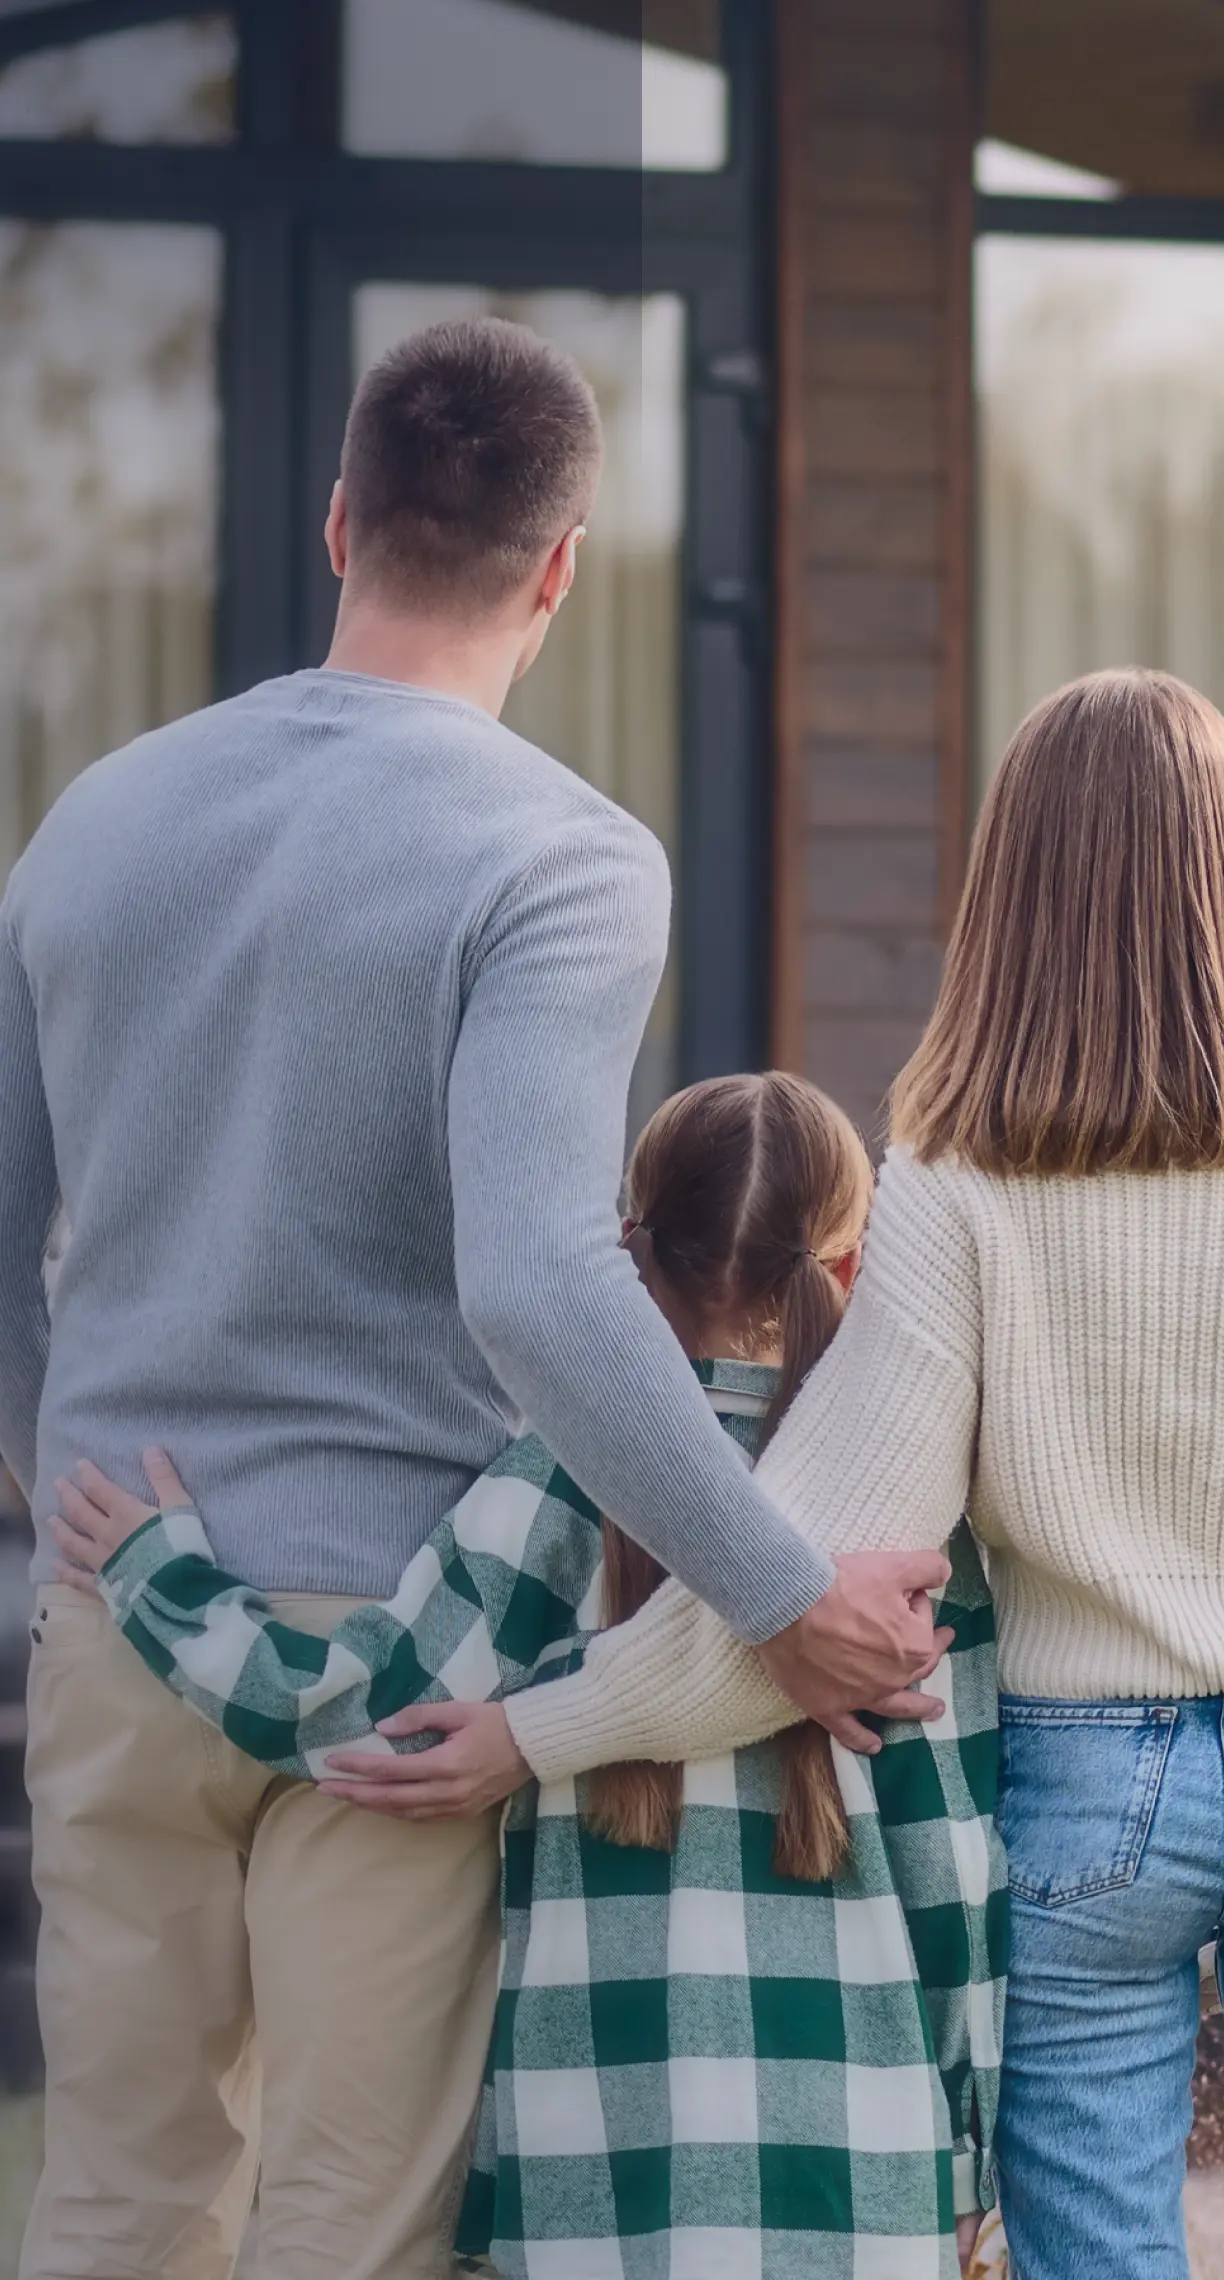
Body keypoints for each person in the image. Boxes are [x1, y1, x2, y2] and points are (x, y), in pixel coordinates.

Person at [0, 315, 947, 2280]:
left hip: (115, 1597)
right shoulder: (561, 860)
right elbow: (535, 1277)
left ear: (343, 521)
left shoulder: (89, 821)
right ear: (562, 565)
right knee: (349, 2234)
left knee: (112, 2200)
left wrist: (70, 1493)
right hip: (400, 1653)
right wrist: (777, 1601)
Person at [388, 670, 1224, 2280]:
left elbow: (801, 1584)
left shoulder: (957, 1178)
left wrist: (540, 1729)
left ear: (1014, 892)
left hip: (1093, 1792)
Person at [52, 1073, 1005, 2279]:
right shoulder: (917, 1534)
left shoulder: (559, 1480)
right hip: (864, 2170)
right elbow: (959, 1872)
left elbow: (360, 1711)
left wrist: (160, 1577)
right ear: (855, 1271)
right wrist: (972, 2164)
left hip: (590, 2175)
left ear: (625, 1263)